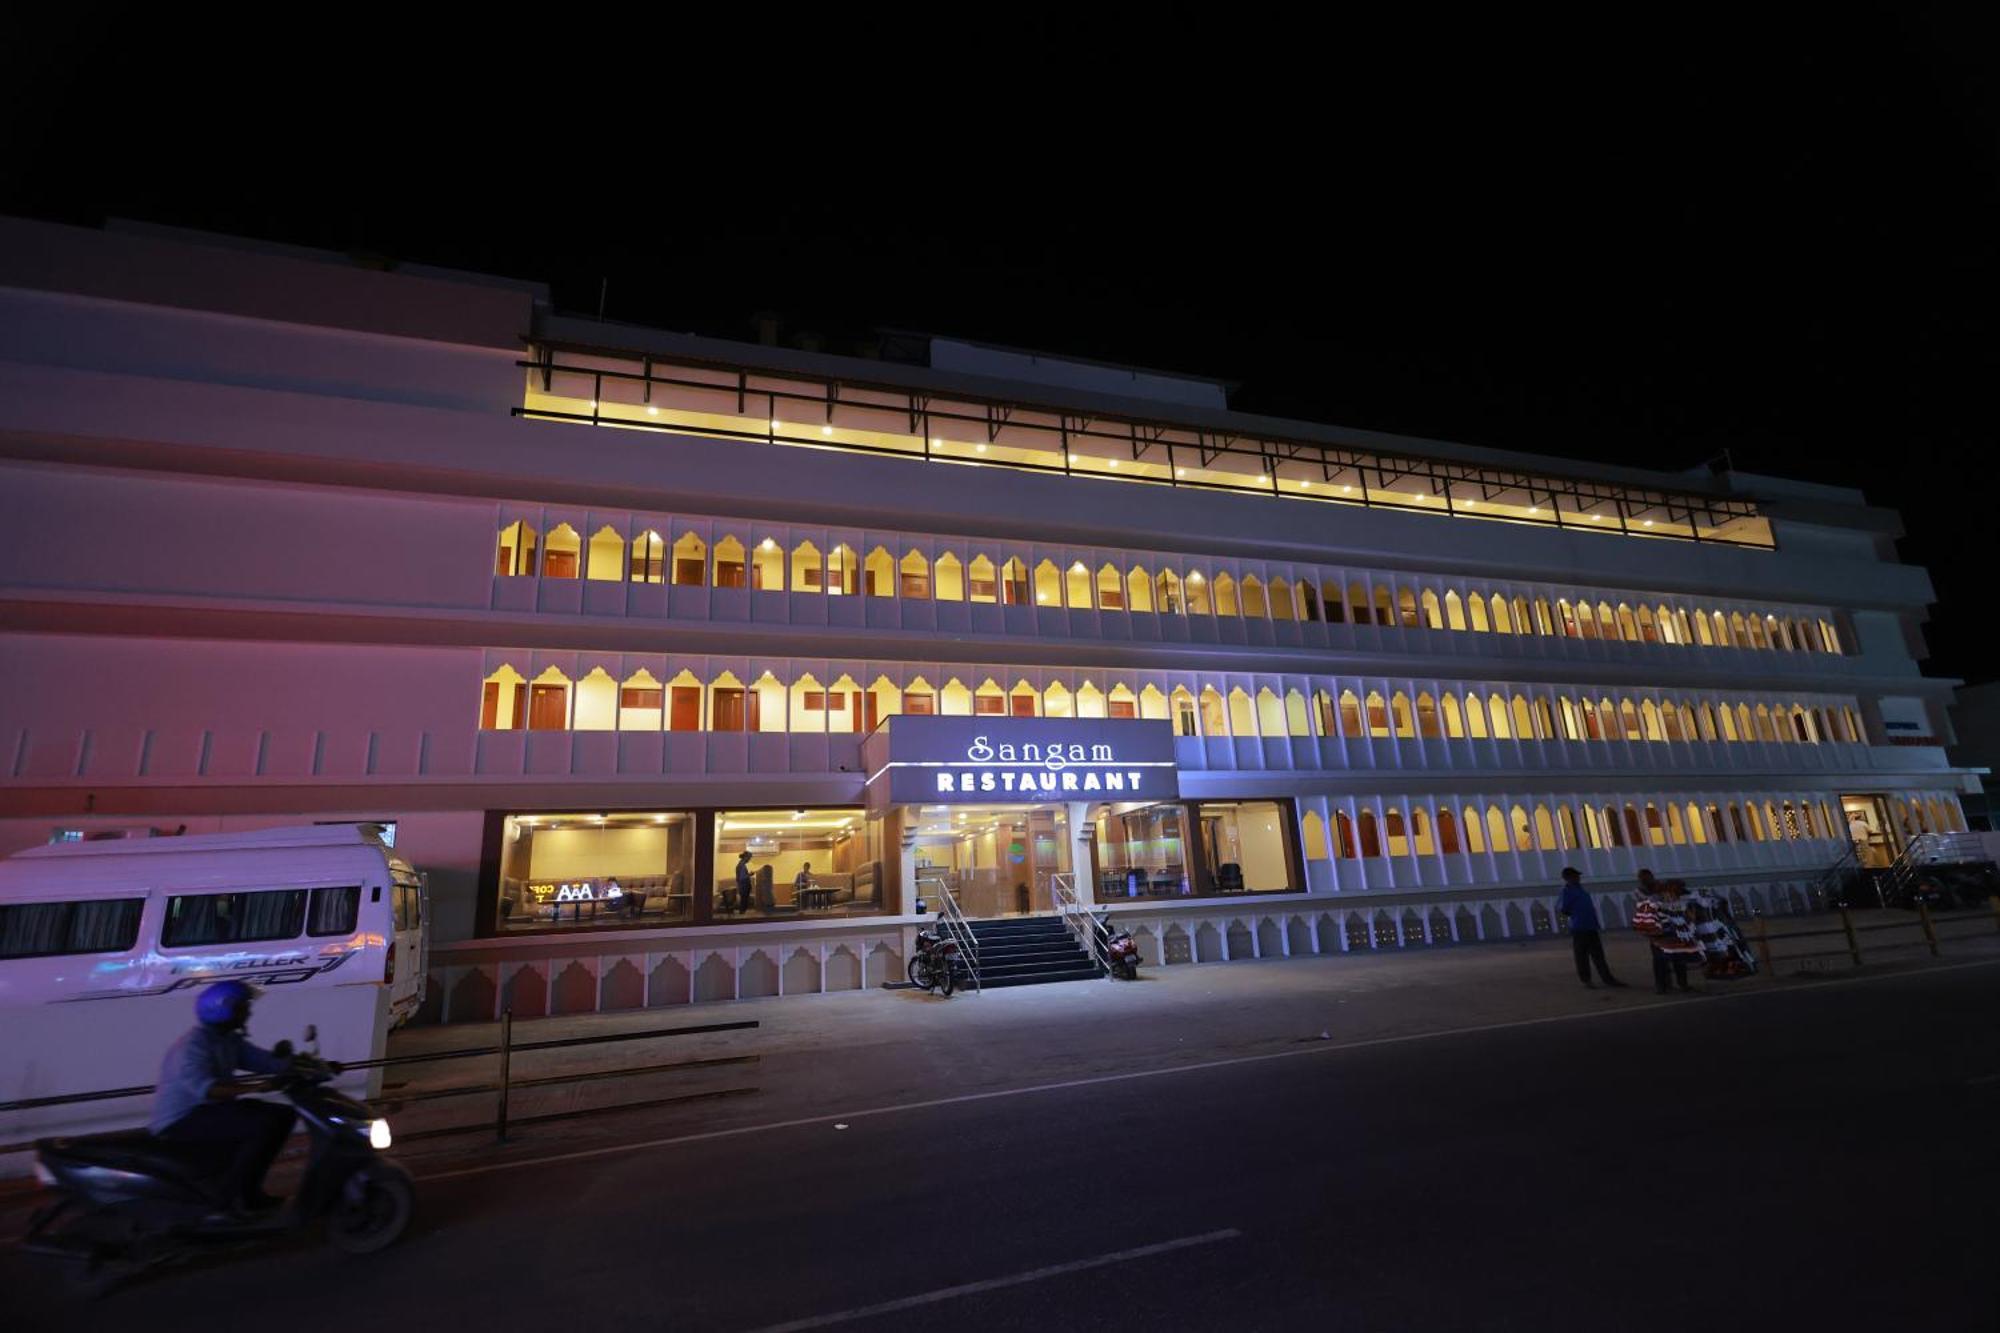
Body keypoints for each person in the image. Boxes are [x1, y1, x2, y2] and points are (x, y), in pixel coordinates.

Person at [149, 980, 297, 1213]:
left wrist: (304, 1065)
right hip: (181, 1120)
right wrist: (256, 1088)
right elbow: (206, 1089)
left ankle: (250, 1192)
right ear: (223, 1010)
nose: (248, 1011)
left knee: (284, 1114)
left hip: (209, 1110)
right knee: (263, 1124)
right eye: (242, 1007)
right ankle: (228, 1197)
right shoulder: (195, 1045)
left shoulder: (228, 1039)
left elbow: (264, 1061)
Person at [1557, 867, 1626, 989]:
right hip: (1579, 928)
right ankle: (1586, 980)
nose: (1578, 878)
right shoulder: (1566, 891)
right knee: (1582, 956)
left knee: (1598, 955)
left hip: (1590, 926)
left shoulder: (1580, 889)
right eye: (1575, 876)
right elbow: (1563, 908)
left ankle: (1607, 978)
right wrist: (1576, 914)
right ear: (1567, 878)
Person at [1633, 878, 1701, 993]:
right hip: (1660, 934)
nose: (1681, 892)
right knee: (1661, 961)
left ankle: (1680, 984)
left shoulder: (1675, 898)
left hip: (1675, 934)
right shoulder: (1655, 900)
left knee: (1678, 960)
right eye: (1679, 889)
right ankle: (1662, 986)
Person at [734, 849, 754, 913]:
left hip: (742, 886)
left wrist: (748, 874)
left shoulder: (741, 864)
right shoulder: (742, 865)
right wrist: (750, 874)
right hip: (743, 886)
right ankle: (742, 915)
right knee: (743, 902)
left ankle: (742, 914)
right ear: (746, 857)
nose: (749, 859)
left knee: (743, 901)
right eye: (749, 858)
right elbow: (742, 878)